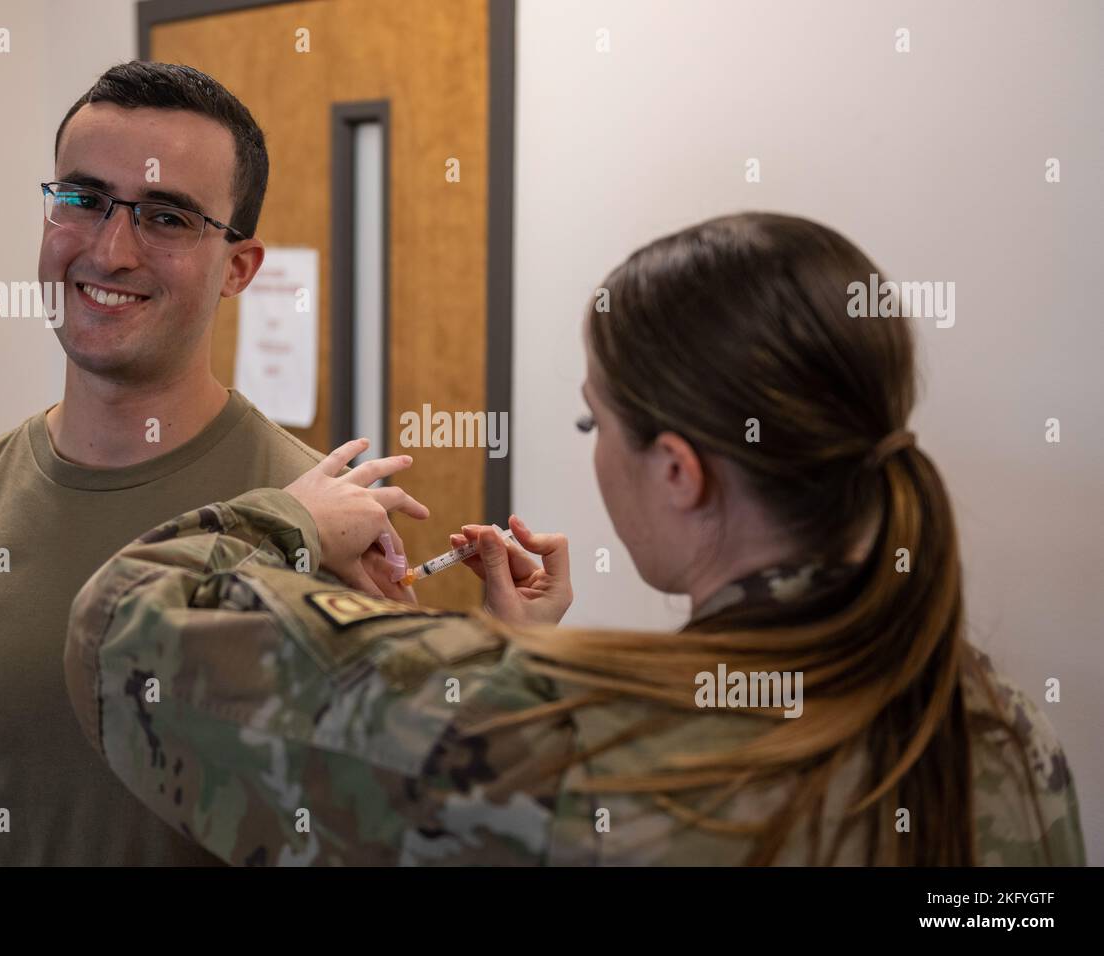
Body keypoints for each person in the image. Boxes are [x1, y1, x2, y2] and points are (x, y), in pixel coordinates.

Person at [64, 212, 1086, 865]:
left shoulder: (564, 736)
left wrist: (294, 520)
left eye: (596, 423)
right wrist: (531, 654)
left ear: (680, 471)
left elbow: (126, 622)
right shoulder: (997, 734)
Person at [0, 61, 421, 866]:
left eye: (167, 218)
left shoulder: (329, 530)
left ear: (239, 268)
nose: (109, 250)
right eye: (82, 199)